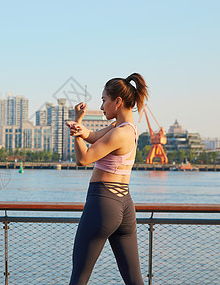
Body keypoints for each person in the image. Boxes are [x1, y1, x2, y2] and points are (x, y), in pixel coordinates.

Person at [66, 73, 148, 285]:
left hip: (102, 202)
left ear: (118, 101)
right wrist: (79, 123)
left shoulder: (118, 134)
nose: (102, 107)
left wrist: (75, 135)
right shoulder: (125, 129)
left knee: (79, 278)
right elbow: (92, 136)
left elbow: (83, 159)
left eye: (104, 100)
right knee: (134, 280)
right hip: (125, 205)